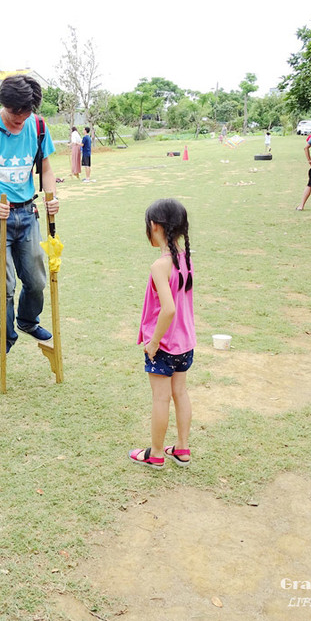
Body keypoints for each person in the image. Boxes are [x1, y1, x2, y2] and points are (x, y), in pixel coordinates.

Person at [0, 74, 59, 355]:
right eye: (16, 113)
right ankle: (5, 335)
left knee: (37, 281)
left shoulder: (38, 127)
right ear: (4, 104)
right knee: (4, 285)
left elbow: (46, 169)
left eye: (26, 113)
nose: (21, 119)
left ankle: (28, 321)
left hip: (27, 214)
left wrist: (52, 196)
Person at [129, 199, 196, 469]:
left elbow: (168, 309)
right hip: (185, 344)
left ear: (154, 226)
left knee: (160, 398)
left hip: (164, 345)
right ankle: (182, 448)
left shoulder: (160, 265)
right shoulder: (185, 259)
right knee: (180, 392)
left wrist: (154, 342)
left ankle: (156, 453)